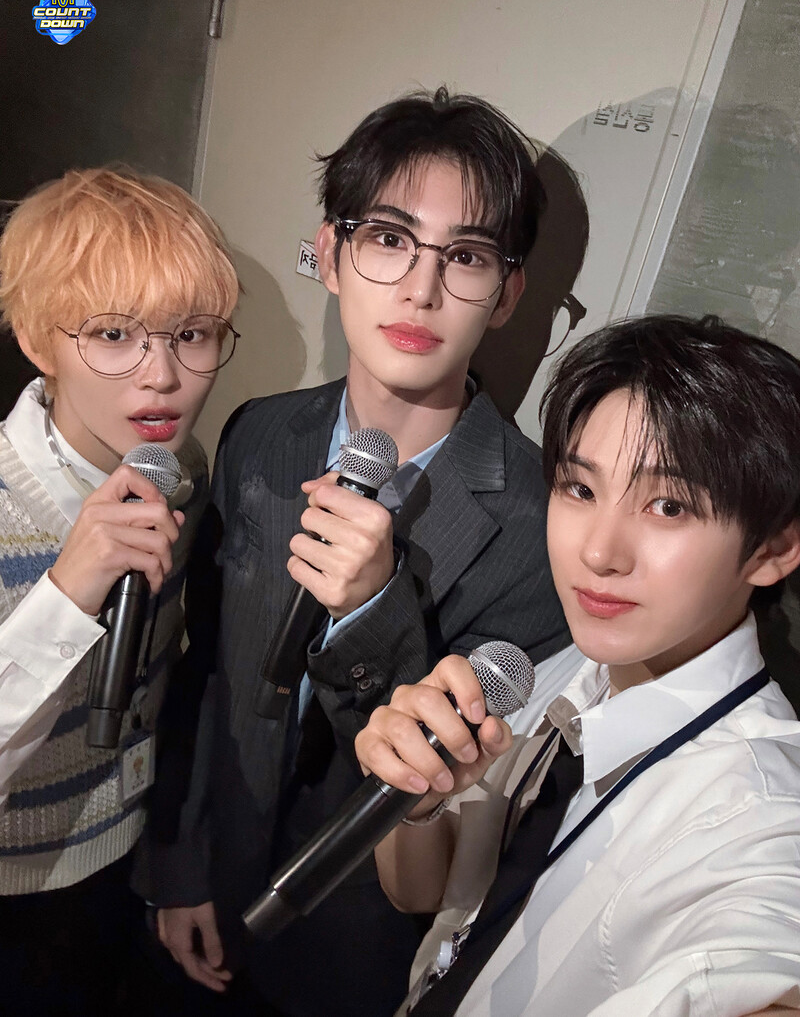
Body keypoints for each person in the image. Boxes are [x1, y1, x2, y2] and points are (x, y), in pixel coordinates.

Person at [141, 86, 570, 1016]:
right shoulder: (260, 433)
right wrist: (177, 861)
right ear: (332, 256)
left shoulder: (544, 526)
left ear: (507, 294)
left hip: (357, 954)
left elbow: (451, 789)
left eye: (465, 256)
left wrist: (377, 610)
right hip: (211, 880)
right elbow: (207, 668)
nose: (420, 289)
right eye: (387, 239)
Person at [356, 314, 800, 1017]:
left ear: (773, 549)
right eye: (580, 489)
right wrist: (417, 798)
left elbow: (759, 953)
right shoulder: (565, 669)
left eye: (668, 505)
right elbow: (428, 895)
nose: (598, 552)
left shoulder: (763, 810)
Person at [0, 167, 240, 1016]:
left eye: (193, 334)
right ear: (39, 340)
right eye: (112, 334)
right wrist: (68, 590)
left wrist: (172, 865)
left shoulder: (182, 471)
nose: (162, 376)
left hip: (125, 862)